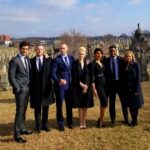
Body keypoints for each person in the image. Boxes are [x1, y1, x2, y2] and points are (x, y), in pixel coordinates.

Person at [8, 41, 33, 143]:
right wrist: (17, 88)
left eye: (27, 49)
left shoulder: (27, 59)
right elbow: (11, 76)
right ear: (20, 49)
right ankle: (17, 135)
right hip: (20, 91)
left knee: (23, 111)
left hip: (27, 90)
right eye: (23, 49)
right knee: (19, 112)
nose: (25, 50)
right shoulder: (15, 61)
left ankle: (22, 128)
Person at [30, 44, 55, 133]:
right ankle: (38, 126)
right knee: (37, 108)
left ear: (43, 50)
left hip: (46, 88)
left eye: (41, 49)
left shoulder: (49, 60)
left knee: (45, 107)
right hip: (35, 89)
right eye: (37, 49)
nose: (39, 50)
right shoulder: (31, 61)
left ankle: (45, 125)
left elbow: (56, 66)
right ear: (35, 50)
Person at [51, 44, 74, 131]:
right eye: (60, 48)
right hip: (60, 87)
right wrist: (58, 80)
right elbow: (53, 73)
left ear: (67, 49)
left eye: (63, 48)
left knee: (69, 105)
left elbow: (76, 66)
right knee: (59, 105)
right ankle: (60, 123)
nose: (62, 49)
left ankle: (70, 122)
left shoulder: (71, 58)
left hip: (69, 86)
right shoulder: (57, 60)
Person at [104, 45, 128, 126]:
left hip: (120, 84)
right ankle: (112, 120)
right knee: (112, 103)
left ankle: (126, 119)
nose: (113, 52)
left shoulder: (121, 60)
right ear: (109, 52)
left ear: (116, 51)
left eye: (114, 51)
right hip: (111, 85)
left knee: (124, 102)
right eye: (111, 51)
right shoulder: (106, 61)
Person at [72, 47, 94, 129]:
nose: (81, 55)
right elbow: (74, 76)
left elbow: (90, 76)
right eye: (80, 54)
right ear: (78, 54)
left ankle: (84, 120)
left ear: (85, 54)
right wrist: (81, 85)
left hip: (87, 88)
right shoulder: (75, 63)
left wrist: (86, 86)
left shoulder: (88, 63)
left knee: (85, 106)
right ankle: (81, 121)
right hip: (78, 87)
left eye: (82, 54)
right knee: (80, 106)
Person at [124, 50, 144, 127]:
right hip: (127, 89)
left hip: (135, 89)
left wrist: (136, 90)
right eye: (127, 56)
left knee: (135, 106)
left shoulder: (136, 65)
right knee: (130, 106)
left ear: (132, 57)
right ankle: (133, 120)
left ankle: (134, 121)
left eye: (129, 56)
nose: (128, 57)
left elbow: (138, 79)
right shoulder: (125, 65)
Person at [92, 48, 108, 127]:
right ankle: (100, 120)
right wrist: (94, 88)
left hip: (105, 85)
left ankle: (101, 120)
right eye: (97, 53)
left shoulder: (102, 62)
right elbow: (92, 78)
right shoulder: (92, 64)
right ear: (94, 54)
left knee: (103, 103)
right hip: (99, 86)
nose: (99, 54)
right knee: (105, 102)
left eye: (100, 53)